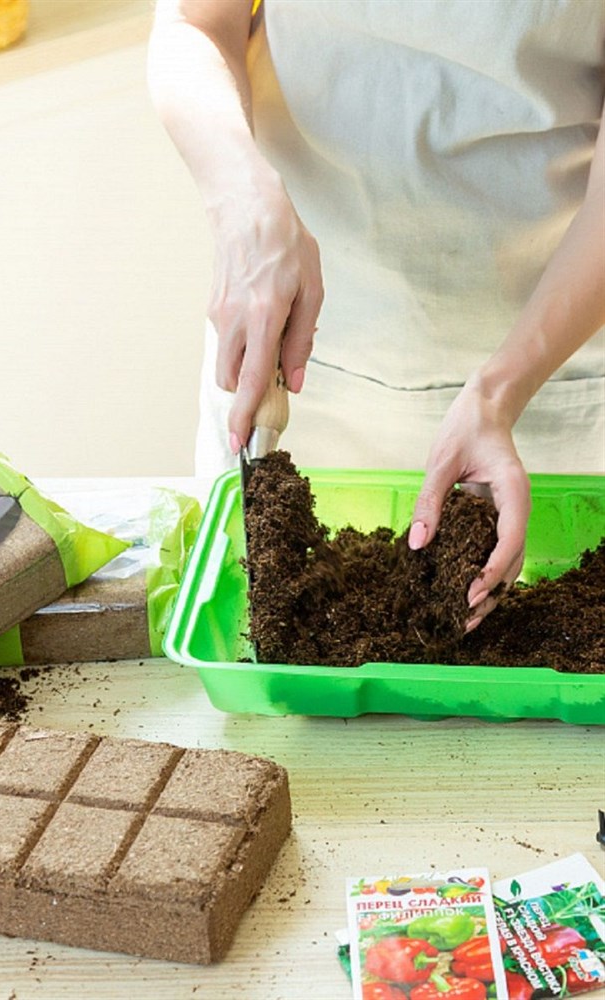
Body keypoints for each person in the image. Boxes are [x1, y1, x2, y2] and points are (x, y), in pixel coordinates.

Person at [147, 0, 605, 631]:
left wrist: (501, 392)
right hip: (298, 349)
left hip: (554, 363)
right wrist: (241, 198)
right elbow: (193, 24)